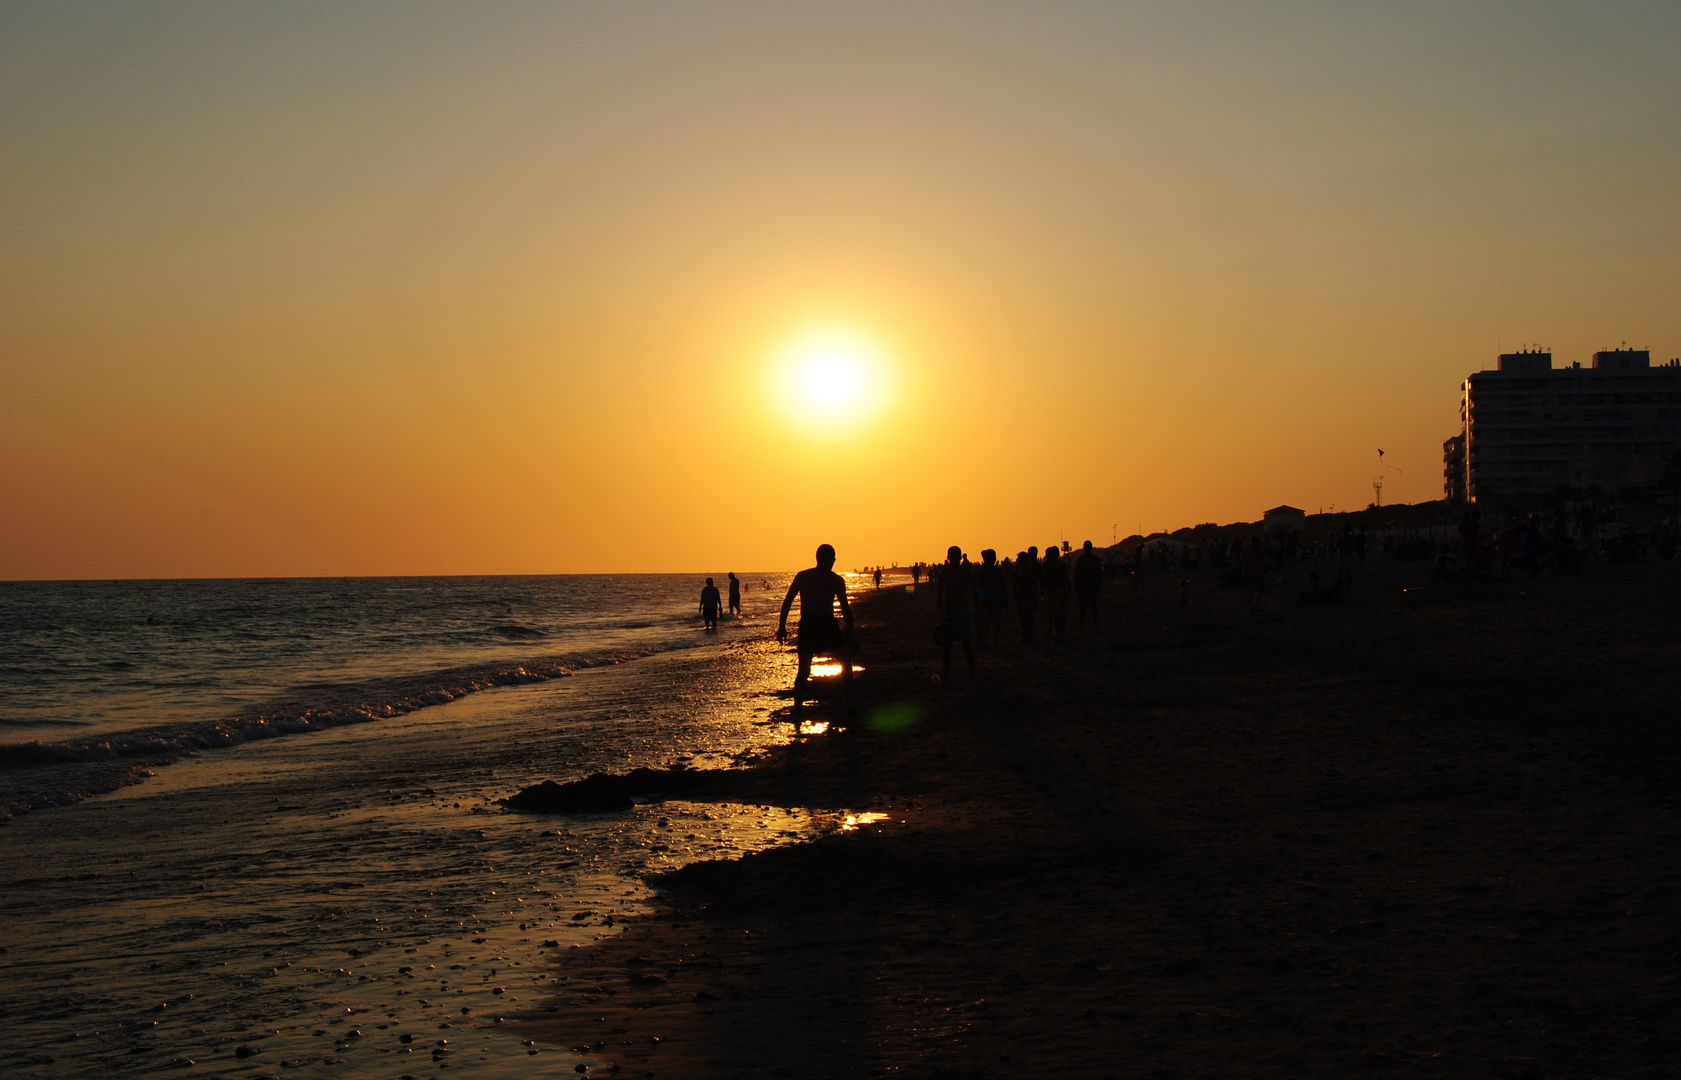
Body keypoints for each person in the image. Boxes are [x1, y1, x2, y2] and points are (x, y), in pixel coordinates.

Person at [776, 544, 854, 729]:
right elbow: (845, 607)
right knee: (845, 662)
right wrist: (850, 628)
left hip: (808, 624)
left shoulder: (803, 576)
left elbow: (787, 601)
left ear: (817, 557)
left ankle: (797, 712)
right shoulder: (836, 580)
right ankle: (847, 704)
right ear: (832, 560)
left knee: (803, 670)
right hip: (827, 623)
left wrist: (782, 627)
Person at [936, 545, 977, 683]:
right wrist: (942, 614)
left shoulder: (965, 573)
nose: (954, 559)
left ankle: (973, 677)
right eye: (951, 556)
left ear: (960, 557)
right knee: (947, 647)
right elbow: (939, 596)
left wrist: (976, 611)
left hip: (963, 609)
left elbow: (974, 593)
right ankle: (946, 678)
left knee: (967, 645)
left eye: (956, 556)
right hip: (950, 611)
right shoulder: (944, 574)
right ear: (948, 558)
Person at [973, 549, 1006, 647]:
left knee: (985, 620)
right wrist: (1005, 597)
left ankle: (985, 640)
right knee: (996, 620)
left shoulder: (981, 570)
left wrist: (980, 586)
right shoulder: (996, 570)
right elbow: (1002, 584)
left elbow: (973, 580)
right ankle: (995, 640)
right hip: (995, 595)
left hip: (985, 596)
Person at [1041, 545, 1070, 642]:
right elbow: (1067, 579)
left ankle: (1059, 635)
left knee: (1055, 614)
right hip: (1063, 590)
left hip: (1053, 591)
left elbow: (1045, 580)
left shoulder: (1048, 565)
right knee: (1062, 613)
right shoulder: (1062, 565)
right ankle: (1062, 634)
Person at [1073, 539, 1103, 629]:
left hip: (1090, 584)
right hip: (1084, 584)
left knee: (1090, 606)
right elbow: (1076, 573)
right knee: (1085, 606)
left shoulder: (1086, 559)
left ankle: (1091, 625)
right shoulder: (1086, 559)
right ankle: (1087, 625)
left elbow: (1099, 574)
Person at [1014, 546, 1040, 642]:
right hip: (1021, 593)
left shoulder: (1029, 568)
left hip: (1028, 593)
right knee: (1023, 616)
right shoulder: (1018, 567)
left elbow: (1034, 580)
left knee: (1028, 615)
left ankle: (1030, 635)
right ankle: (1026, 635)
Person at [1241, 536, 1267, 612]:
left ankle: (1250, 608)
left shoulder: (1246, 549)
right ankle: (1256, 605)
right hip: (1256, 572)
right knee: (1261, 588)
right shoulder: (1258, 550)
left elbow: (1241, 559)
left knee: (1250, 591)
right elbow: (1263, 560)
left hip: (1246, 571)